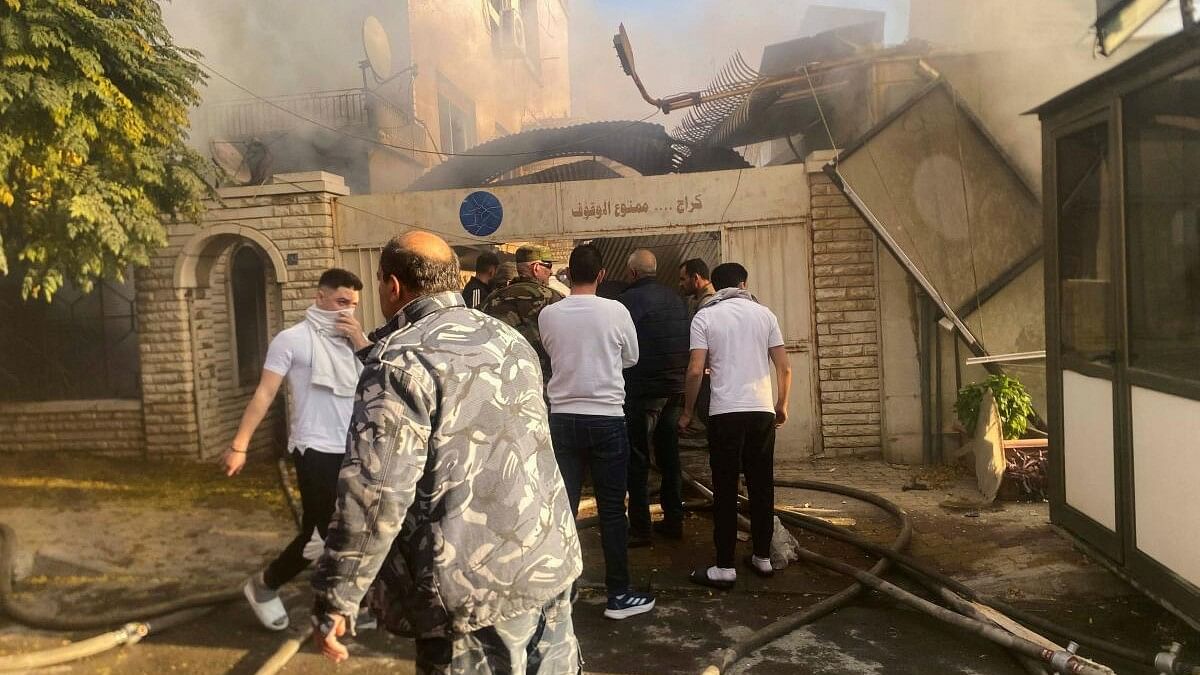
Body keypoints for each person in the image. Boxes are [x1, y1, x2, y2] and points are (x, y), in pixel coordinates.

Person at [311, 232, 582, 673]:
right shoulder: (508, 338)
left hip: (469, 592)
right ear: (455, 278)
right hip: (547, 563)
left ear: (392, 286)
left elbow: (376, 493)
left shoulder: (400, 360)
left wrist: (338, 595)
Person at [222, 268, 369, 631]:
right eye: (340, 301)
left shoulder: (356, 339)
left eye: (352, 304)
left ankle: (338, 605)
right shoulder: (292, 340)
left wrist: (362, 343)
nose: (346, 311)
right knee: (319, 535)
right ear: (320, 296)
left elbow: (378, 382)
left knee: (356, 528)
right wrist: (239, 445)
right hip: (314, 447)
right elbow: (265, 393)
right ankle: (263, 586)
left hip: (351, 446)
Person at [539, 244, 655, 620]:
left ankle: (561, 594)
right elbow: (632, 358)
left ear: (568, 274)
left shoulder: (549, 314)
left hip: (563, 419)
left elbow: (552, 354)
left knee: (563, 509)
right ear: (602, 275)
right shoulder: (616, 310)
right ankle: (618, 596)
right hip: (607, 418)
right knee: (610, 510)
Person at [679, 262, 791, 590]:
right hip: (760, 412)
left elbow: (695, 371)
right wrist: (781, 406)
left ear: (715, 284)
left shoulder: (705, 316)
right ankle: (763, 558)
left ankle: (725, 566)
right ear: (744, 283)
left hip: (724, 413)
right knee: (761, 485)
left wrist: (687, 411)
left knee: (725, 488)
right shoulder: (764, 314)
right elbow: (784, 367)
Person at [618, 250, 690, 545]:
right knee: (670, 458)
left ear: (633, 273)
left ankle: (641, 529)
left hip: (642, 393)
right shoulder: (677, 299)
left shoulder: (625, 303)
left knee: (637, 460)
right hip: (674, 391)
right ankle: (674, 521)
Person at [479, 244, 564, 386]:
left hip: (502, 381)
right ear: (536, 268)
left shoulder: (492, 298)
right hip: (542, 382)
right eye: (548, 266)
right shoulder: (553, 298)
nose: (551, 272)